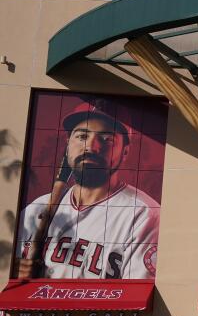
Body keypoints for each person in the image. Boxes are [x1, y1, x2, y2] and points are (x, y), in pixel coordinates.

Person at [16, 99, 160, 279]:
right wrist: (13, 275)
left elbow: (137, 299)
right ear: (68, 144)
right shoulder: (36, 208)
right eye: (82, 136)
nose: (91, 147)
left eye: (107, 139)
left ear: (125, 151)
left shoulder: (143, 215)